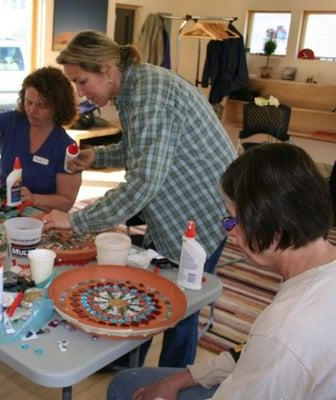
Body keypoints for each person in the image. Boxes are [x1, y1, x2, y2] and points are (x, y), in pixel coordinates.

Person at [46, 30, 236, 368]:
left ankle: (169, 381)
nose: (80, 92)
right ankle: (131, 362)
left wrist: (76, 220)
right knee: (154, 288)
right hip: (180, 207)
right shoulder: (133, 88)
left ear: (106, 68)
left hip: (207, 213)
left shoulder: (149, 95)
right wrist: (98, 157)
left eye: (81, 81)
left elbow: (144, 181)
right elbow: (142, 152)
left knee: (183, 303)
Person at [107, 143, 336, 400]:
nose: (229, 230)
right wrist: (184, 378)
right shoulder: (321, 273)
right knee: (131, 382)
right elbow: (249, 352)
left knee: (125, 387)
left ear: (275, 227)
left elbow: (268, 353)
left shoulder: (284, 332)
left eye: (233, 219)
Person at [0, 66, 81, 211]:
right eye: (28, 102)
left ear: (57, 107)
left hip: (40, 218)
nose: (32, 110)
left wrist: (34, 198)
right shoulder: (11, 121)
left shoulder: (65, 147)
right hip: (3, 208)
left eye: (41, 106)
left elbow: (66, 201)